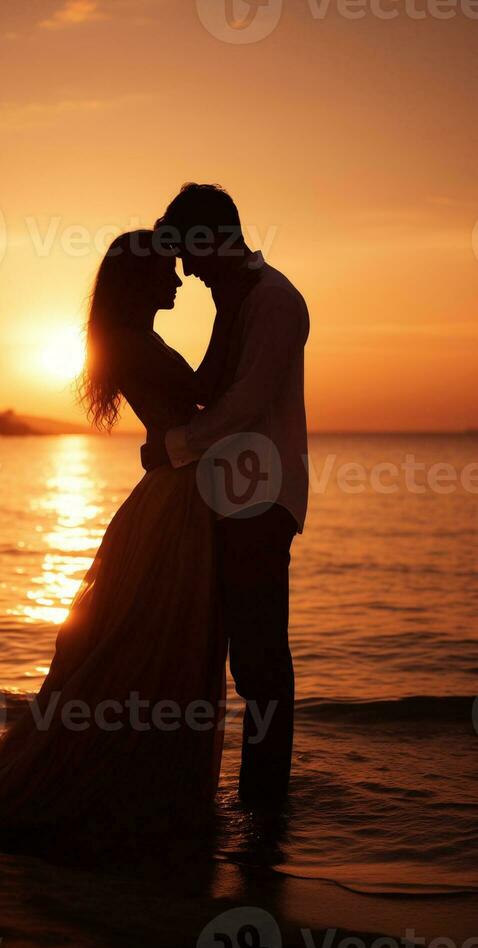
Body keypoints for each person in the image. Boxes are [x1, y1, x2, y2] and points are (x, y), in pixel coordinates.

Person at [0, 230, 237, 844]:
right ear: (139, 279)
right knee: (152, 637)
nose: (176, 282)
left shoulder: (134, 340)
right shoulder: (133, 343)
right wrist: (228, 308)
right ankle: (135, 786)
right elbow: (203, 398)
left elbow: (184, 415)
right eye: (167, 272)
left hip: (176, 490)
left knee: (151, 638)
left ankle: (146, 780)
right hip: (177, 499)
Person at [144, 183, 310, 808]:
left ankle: (264, 806)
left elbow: (247, 403)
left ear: (216, 239)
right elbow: (216, 389)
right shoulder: (236, 299)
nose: (183, 269)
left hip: (262, 498)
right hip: (232, 494)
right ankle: (247, 799)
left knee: (261, 660)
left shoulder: (274, 302)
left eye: (189, 251)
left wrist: (173, 444)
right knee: (239, 656)